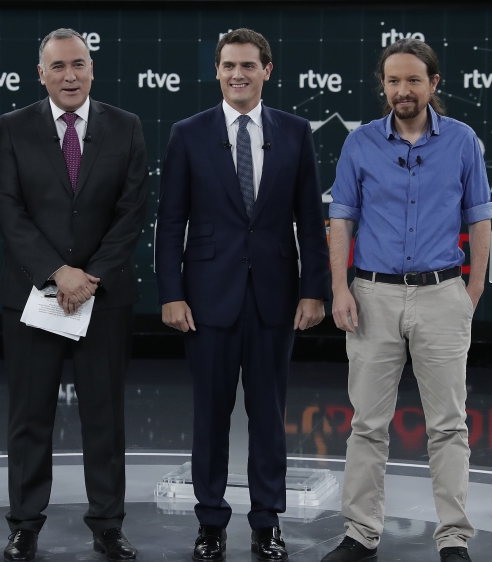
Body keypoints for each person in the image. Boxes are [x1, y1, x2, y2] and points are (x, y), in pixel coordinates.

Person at [155, 28, 330, 562]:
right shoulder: (188, 133)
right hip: (206, 299)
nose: (238, 74)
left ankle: (266, 523)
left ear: (267, 70)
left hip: (275, 298)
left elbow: (308, 217)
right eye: (229, 65)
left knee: (268, 416)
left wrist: (314, 291)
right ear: (217, 71)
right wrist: (171, 293)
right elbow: (171, 221)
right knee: (209, 415)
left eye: (248, 65)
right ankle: (210, 523)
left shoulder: (296, 132)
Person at [322, 39, 492, 562]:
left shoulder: (463, 142)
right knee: (367, 424)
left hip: (443, 294)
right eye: (394, 81)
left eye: (413, 80)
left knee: (448, 424)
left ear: (433, 84)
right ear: (384, 86)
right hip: (371, 294)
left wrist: (474, 288)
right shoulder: (361, 144)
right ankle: (361, 534)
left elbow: (480, 216)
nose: (403, 90)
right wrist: (339, 288)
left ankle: (454, 539)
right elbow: (342, 219)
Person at [0, 27, 148, 562]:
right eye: (58, 67)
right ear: (41, 74)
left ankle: (107, 524)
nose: (70, 75)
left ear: (92, 68)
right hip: (34, 298)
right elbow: (7, 209)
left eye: (78, 64)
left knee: (105, 417)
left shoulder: (125, 127)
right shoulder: (12, 128)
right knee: (29, 417)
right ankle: (24, 525)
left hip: (103, 299)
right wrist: (58, 272)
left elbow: (131, 214)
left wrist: (89, 277)